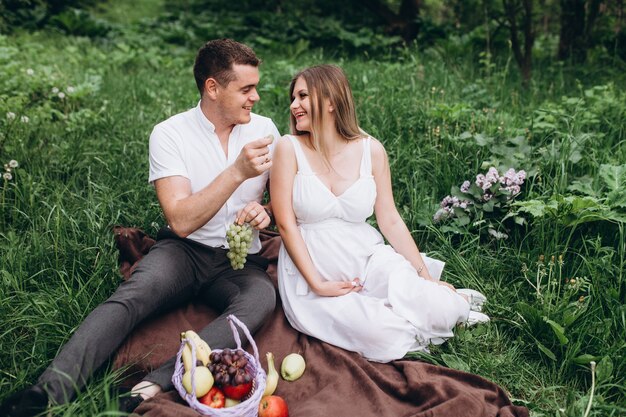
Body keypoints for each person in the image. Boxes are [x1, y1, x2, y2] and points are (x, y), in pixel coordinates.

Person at [0, 38, 280, 416]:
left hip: (238, 261)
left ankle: (155, 384)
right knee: (134, 295)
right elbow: (179, 219)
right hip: (184, 251)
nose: (256, 97)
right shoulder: (170, 133)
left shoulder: (265, 131)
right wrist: (236, 173)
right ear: (213, 88)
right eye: (246, 89)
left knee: (261, 300)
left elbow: (281, 202)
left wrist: (265, 212)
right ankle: (47, 392)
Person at [270, 64, 489, 362]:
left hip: (367, 258)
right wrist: (317, 283)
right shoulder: (288, 148)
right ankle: (411, 317)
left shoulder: (370, 150)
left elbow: (390, 219)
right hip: (313, 274)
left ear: (332, 100)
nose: (294, 105)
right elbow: (285, 223)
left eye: (303, 96)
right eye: (293, 98)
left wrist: (425, 277)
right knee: (380, 335)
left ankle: (450, 302)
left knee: (437, 305)